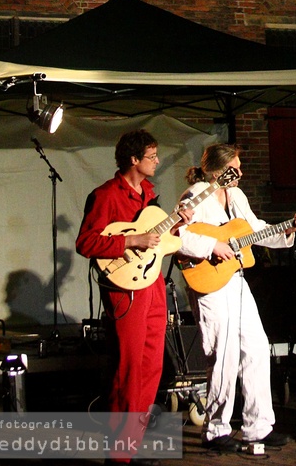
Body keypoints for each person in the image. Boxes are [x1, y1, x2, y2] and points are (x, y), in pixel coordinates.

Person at [176, 142, 296, 452]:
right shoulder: (196, 194)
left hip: (236, 279)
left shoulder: (236, 196)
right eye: (234, 167)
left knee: (256, 349)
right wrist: (211, 246)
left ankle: (258, 427)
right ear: (217, 170)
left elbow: (256, 229)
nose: (240, 173)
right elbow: (177, 235)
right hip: (209, 279)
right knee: (223, 355)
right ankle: (216, 430)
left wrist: (289, 228)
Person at [76, 129, 191, 457]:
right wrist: (130, 241)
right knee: (129, 368)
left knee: (152, 365)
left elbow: (160, 240)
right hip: (125, 288)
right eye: (151, 157)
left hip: (152, 284)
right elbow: (86, 243)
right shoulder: (106, 195)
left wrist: (178, 224)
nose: (157, 161)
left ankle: (133, 442)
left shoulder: (149, 193)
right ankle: (120, 450)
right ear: (133, 159)